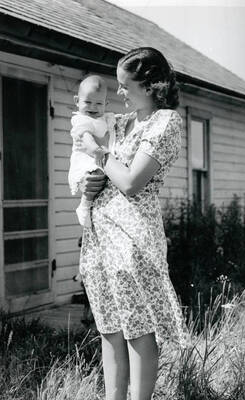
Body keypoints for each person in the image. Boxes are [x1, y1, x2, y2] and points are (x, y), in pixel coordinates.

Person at [76, 47, 189, 400]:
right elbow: (99, 168)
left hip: (133, 238)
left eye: (126, 86)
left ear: (151, 85)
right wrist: (87, 182)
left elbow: (130, 182)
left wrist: (98, 153)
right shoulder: (121, 123)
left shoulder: (165, 121)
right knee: (110, 327)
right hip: (99, 237)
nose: (120, 92)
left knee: (138, 328)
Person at [68, 75, 115, 227]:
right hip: (86, 158)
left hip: (98, 156)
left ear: (106, 104)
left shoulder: (106, 118)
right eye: (88, 102)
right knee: (96, 177)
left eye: (98, 103)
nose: (93, 107)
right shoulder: (81, 119)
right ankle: (84, 206)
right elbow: (86, 137)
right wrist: (97, 150)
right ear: (77, 101)